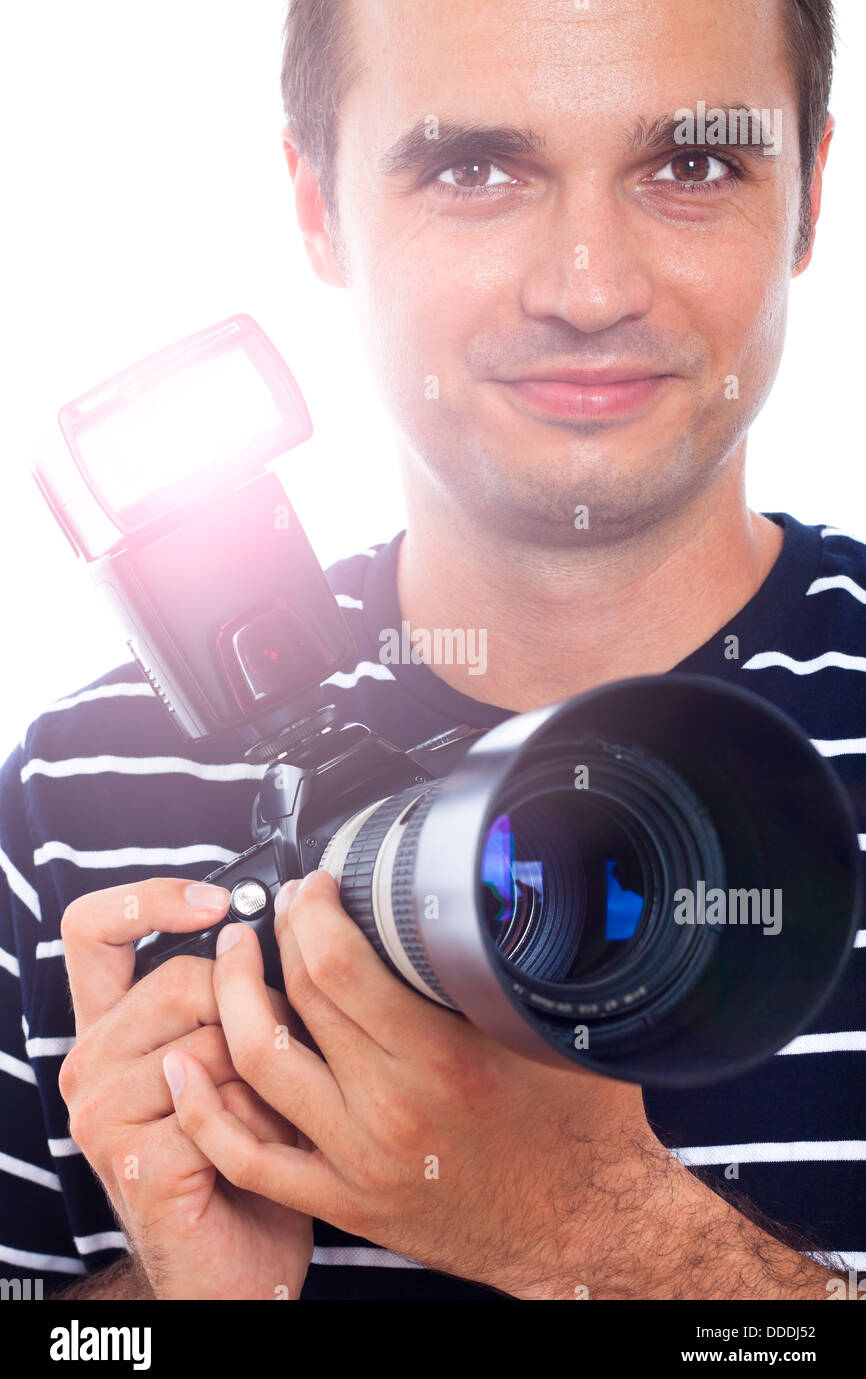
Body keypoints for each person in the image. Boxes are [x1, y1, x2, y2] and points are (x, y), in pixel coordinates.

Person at [1, 0, 863, 1300]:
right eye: (474, 168)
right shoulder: (79, 801)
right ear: (316, 203)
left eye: (688, 166)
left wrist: (600, 1232)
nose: (588, 287)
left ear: (805, 195)